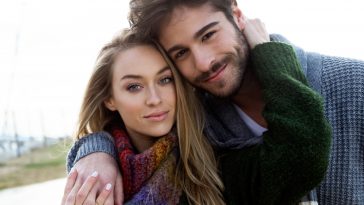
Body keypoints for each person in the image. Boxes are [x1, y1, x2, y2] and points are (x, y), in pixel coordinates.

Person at [67, 0, 364, 204]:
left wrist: (268, 51)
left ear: (237, 15)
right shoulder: (201, 131)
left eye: (209, 35)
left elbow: (299, 153)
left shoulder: (355, 84)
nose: (204, 62)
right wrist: (95, 151)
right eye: (180, 53)